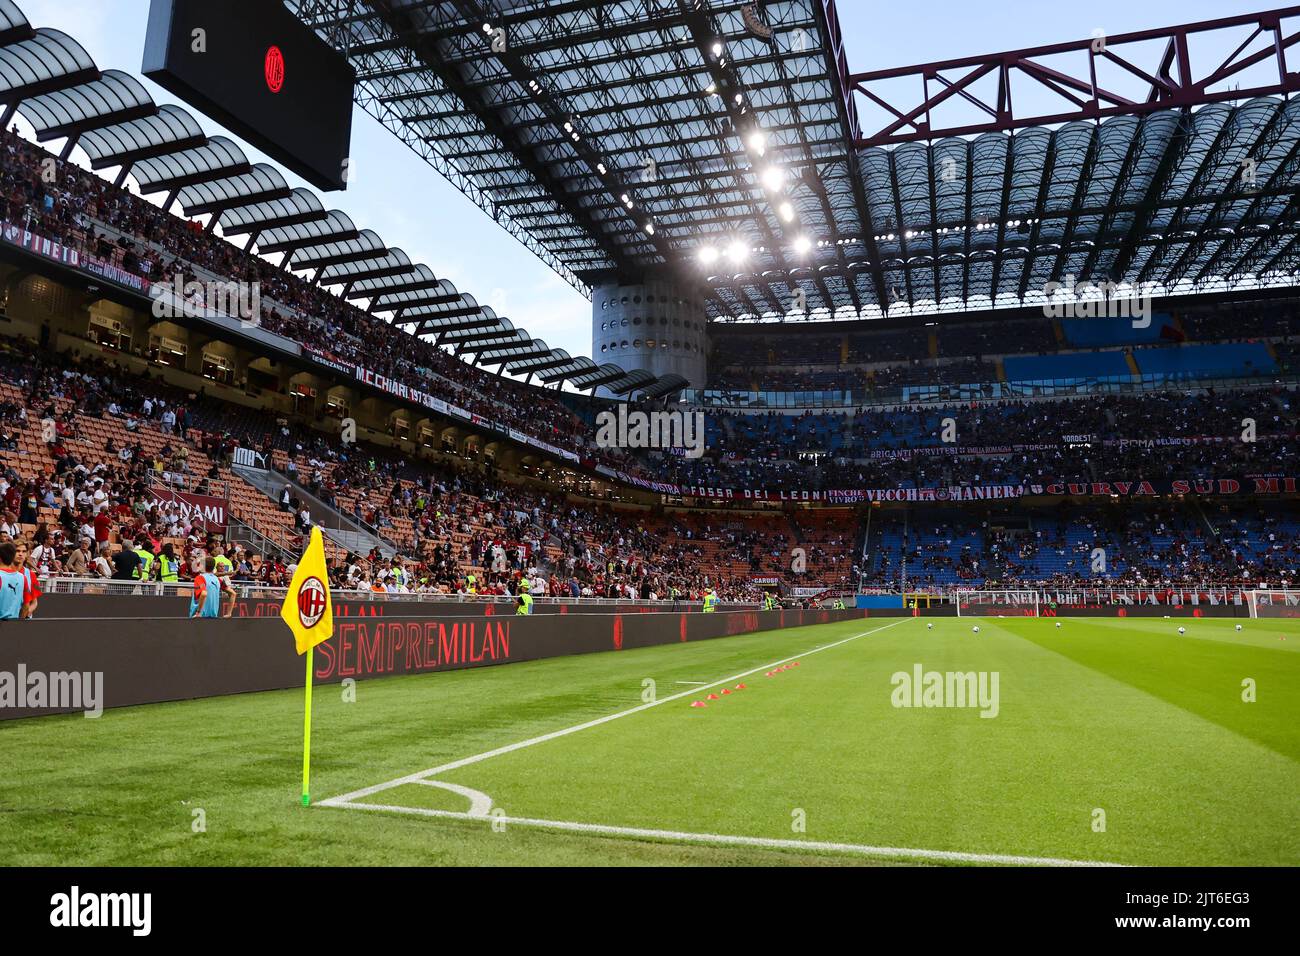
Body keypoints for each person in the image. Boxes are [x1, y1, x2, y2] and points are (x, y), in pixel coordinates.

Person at [0, 541, 35, 621]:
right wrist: (19, 623)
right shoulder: (22, 578)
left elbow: (32, 603)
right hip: (15, 624)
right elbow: (26, 605)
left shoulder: (29, 575)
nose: (20, 554)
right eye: (18, 551)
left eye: (23, 551)